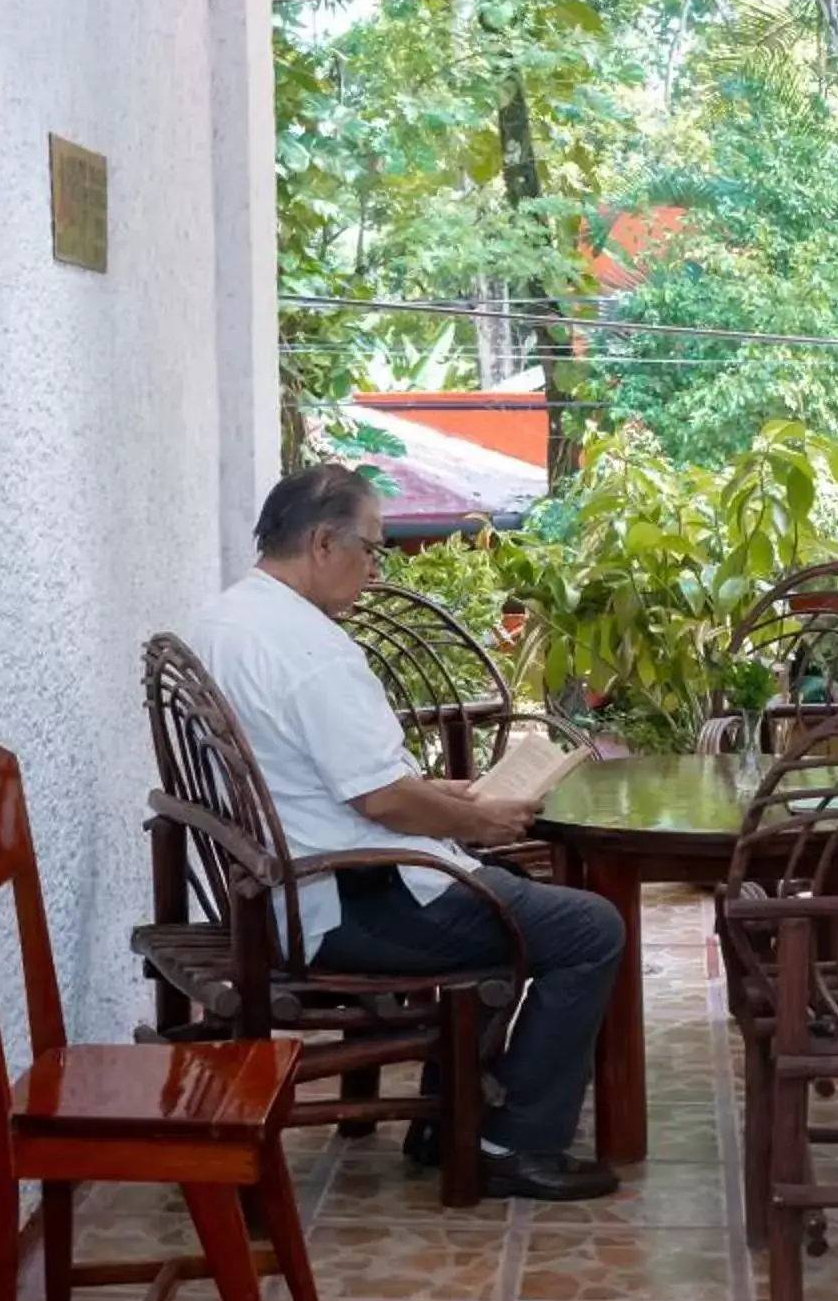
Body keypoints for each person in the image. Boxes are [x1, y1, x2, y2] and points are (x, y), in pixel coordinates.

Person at [190, 466, 625, 1201]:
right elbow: (383, 801)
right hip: (345, 899)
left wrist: (451, 797)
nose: (375, 567)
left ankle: (449, 1119)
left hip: (279, 888)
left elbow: (337, 778)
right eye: (371, 548)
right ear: (324, 543)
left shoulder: (222, 620)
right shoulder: (311, 652)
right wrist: (479, 815)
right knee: (588, 929)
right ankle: (509, 1143)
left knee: (513, 896)